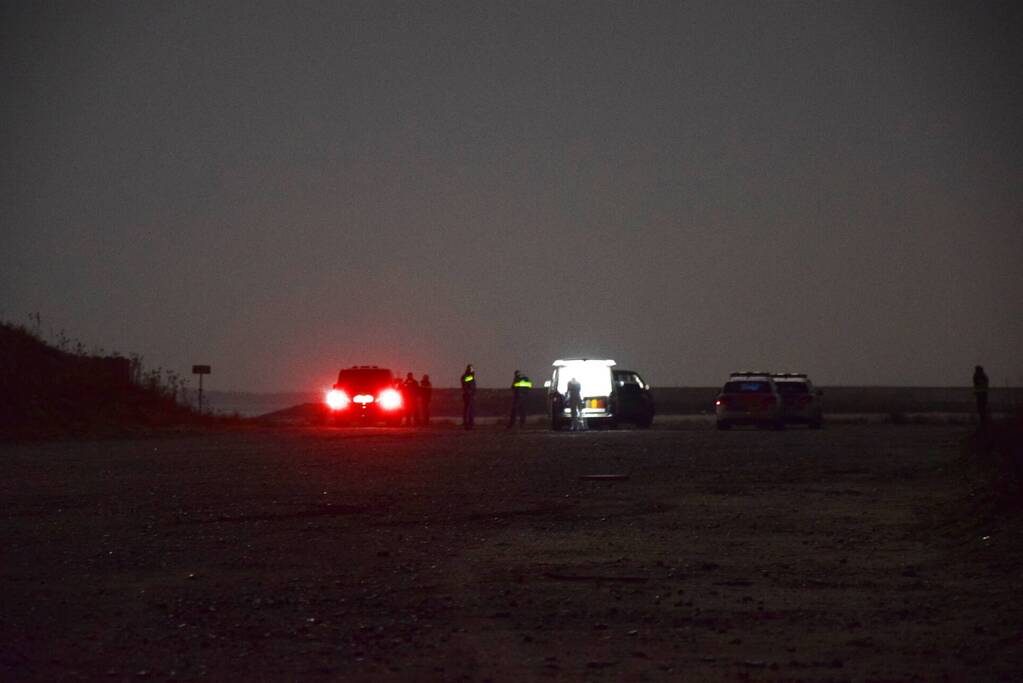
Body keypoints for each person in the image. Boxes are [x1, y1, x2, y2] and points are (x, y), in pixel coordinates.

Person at [461, 364, 477, 430]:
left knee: (471, 410)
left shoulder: (470, 377)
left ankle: (470, 423)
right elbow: (464, 381)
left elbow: (473, 386)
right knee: (467, 410)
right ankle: (466, 423)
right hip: (467, 395)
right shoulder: (465, 377)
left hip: (471, 395)